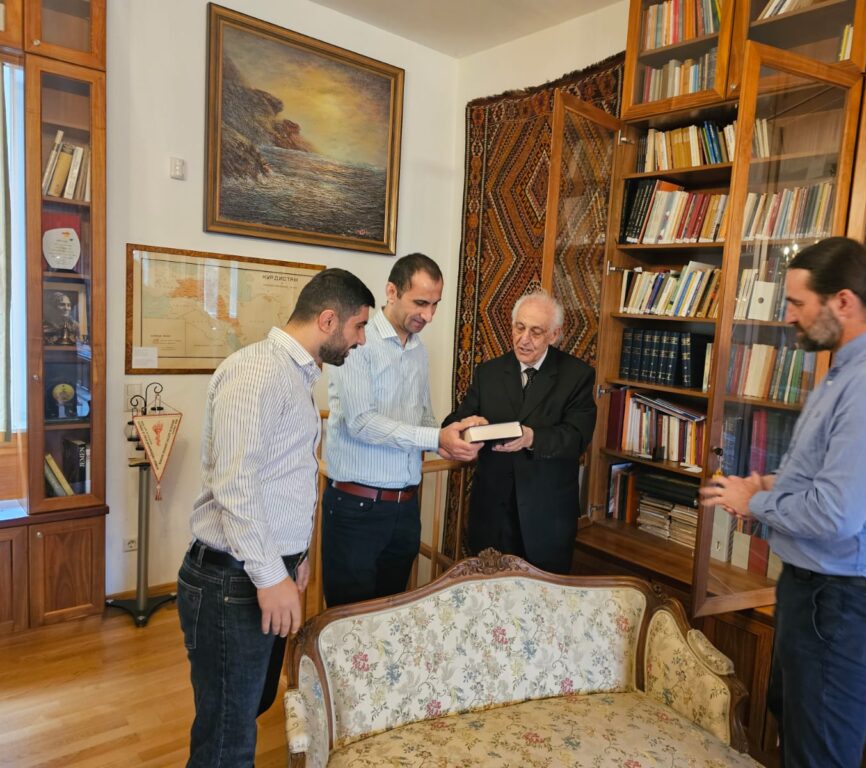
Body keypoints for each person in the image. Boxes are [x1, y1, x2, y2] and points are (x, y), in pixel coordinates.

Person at [699, 237, 866, 767]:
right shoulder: (855, 369)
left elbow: (835, 516)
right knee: (797, 737)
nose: (789, 316)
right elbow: (832, 476)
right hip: (823, 596)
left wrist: (753, 504)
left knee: (817, 757)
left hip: (841, 603)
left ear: (842, 301)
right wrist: (771, 486)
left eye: (797, 303)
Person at [177, 267, 374, 768]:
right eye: (358, 327)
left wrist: (297, 556)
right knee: (227, 738)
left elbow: (283, 477)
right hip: (231, 579)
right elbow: (235, 488)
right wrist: (271, 575)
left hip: (263, 570)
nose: (361, 340)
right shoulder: (258, 373)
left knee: (249, 709)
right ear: (329, 319)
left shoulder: (296, 374)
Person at [321, 253, 482, 607]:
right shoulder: (356, 341)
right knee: (350, 622)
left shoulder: (418, 351)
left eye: (435, 305)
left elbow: (423, 418)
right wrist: (433, 438)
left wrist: (453, 437)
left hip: (405, 508)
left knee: (391, 619)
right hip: (356, 507)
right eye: (420, 303)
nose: (428, 315)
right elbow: (361, 422)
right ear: (391, 291)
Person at [443, 290, 597, 574]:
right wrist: (462, 430)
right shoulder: (488, 372)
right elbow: (456, 420)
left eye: (536, 332)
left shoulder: (577, 376)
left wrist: (532, 438)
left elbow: (576, 438)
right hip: (491, 515)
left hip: (546, 519)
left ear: (554, 334)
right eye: (519, 328)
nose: (524, 339)